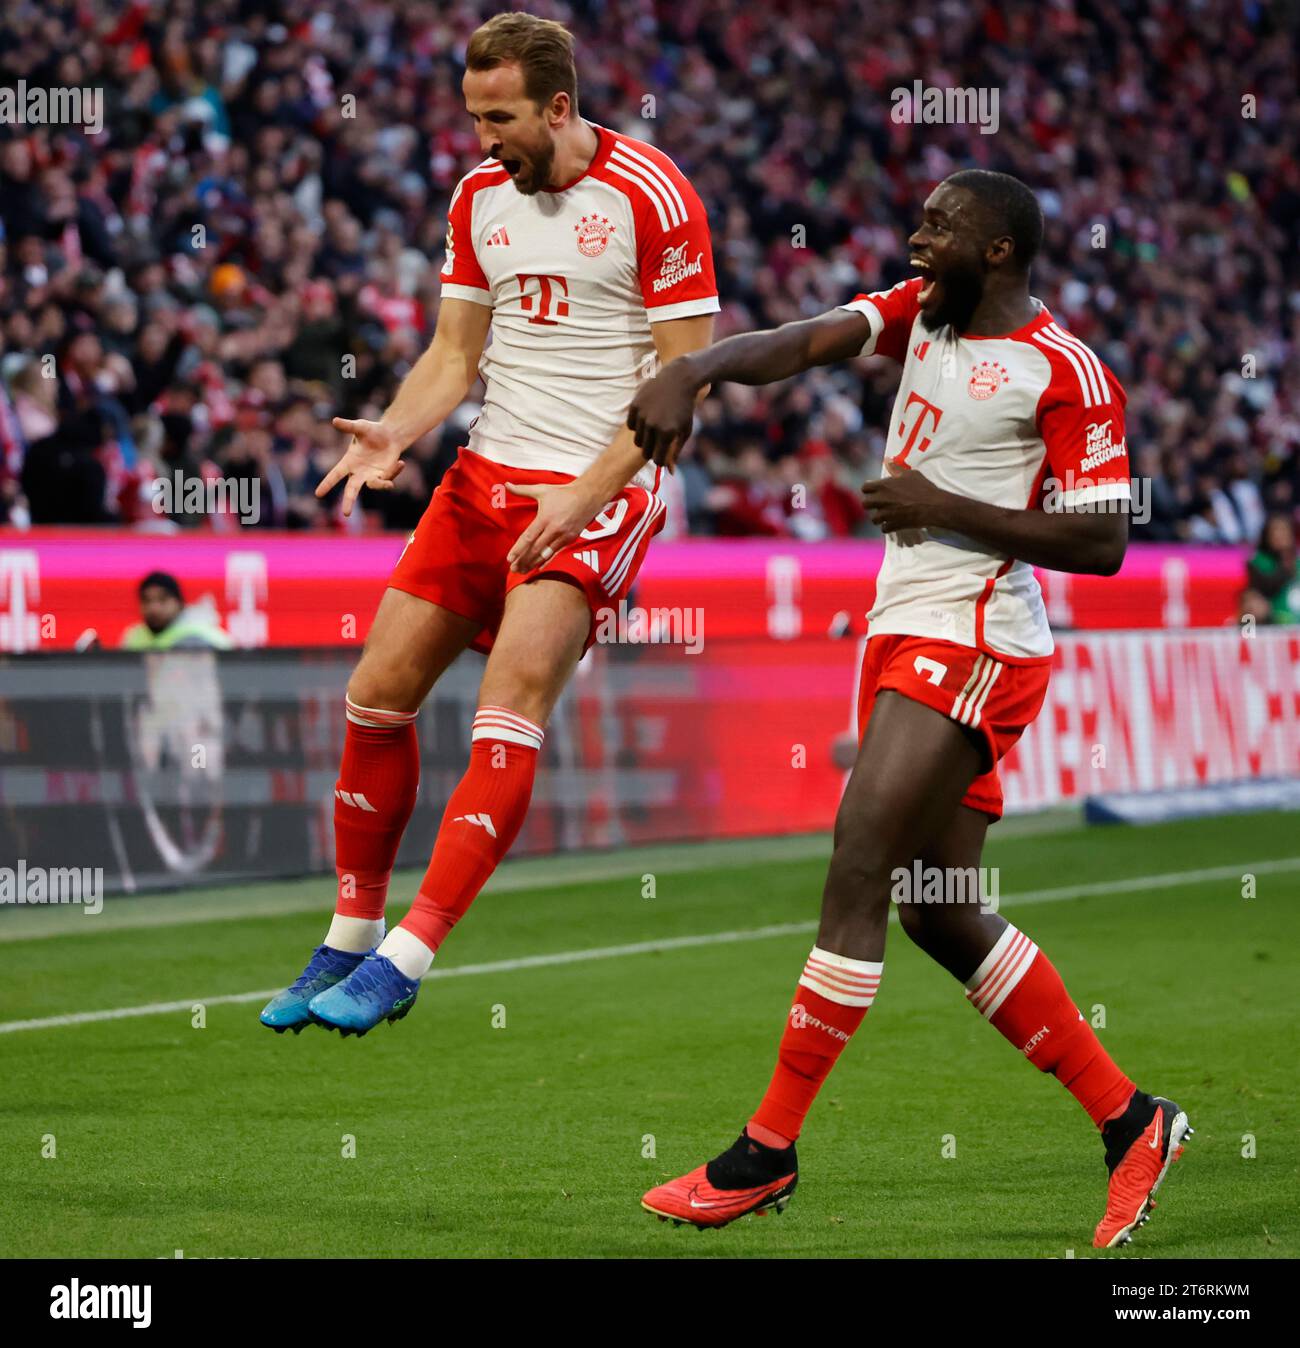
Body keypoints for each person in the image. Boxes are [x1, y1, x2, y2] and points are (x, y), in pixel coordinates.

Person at [627, 169, 1191, 1250]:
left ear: (999, 251)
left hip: (974, 640)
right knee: (936, 906)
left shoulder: (1066, 372)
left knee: (859, 857)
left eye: (941, 224)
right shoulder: (914, 312)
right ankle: (1132, 1120)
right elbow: (799, 341)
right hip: (903, 626)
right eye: (921, 218)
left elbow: (1105, 542)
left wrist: (944, 507)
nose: (916, 235)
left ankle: (767, 1147)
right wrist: (695, 367)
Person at [259, 13, 716, 1035]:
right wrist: (397, 430)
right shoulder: (478, 199)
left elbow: (682, 384)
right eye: (471, 117)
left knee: (505, 710)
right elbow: (453, 354)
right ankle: (346, 936)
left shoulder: (654, 197)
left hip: (599, 488)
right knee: (374, 695)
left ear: (558, 106)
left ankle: (406, 957)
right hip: (482, 478)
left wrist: (589, 493)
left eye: (499, 118)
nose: (481, 140)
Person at [118, 571, 233, 650]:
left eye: (162, 599)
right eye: (147, 601)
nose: (153, 607)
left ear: (179, 603)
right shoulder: (134, 636)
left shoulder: (198, 635)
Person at [1241, 513, 1300, 624]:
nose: (1279, 536)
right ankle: (1248, 639)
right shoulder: (1257, 562)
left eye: (1283, 530)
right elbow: (1264, 588)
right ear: (1267, 535)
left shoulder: (1298, 562)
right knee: (1251, 606)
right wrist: (1285, 563)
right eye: (1275, 531)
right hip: (1272, 618)